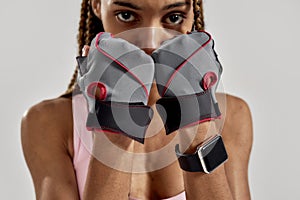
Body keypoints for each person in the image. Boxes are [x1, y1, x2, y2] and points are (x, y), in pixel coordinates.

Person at [21, 0, 253, 199]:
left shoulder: (233, 115)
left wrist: (197, 116)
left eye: (173, 17)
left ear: (193, 14)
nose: (151, 42)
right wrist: (113, 120)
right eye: (127, 15)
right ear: (96, 4)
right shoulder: (48, 123)